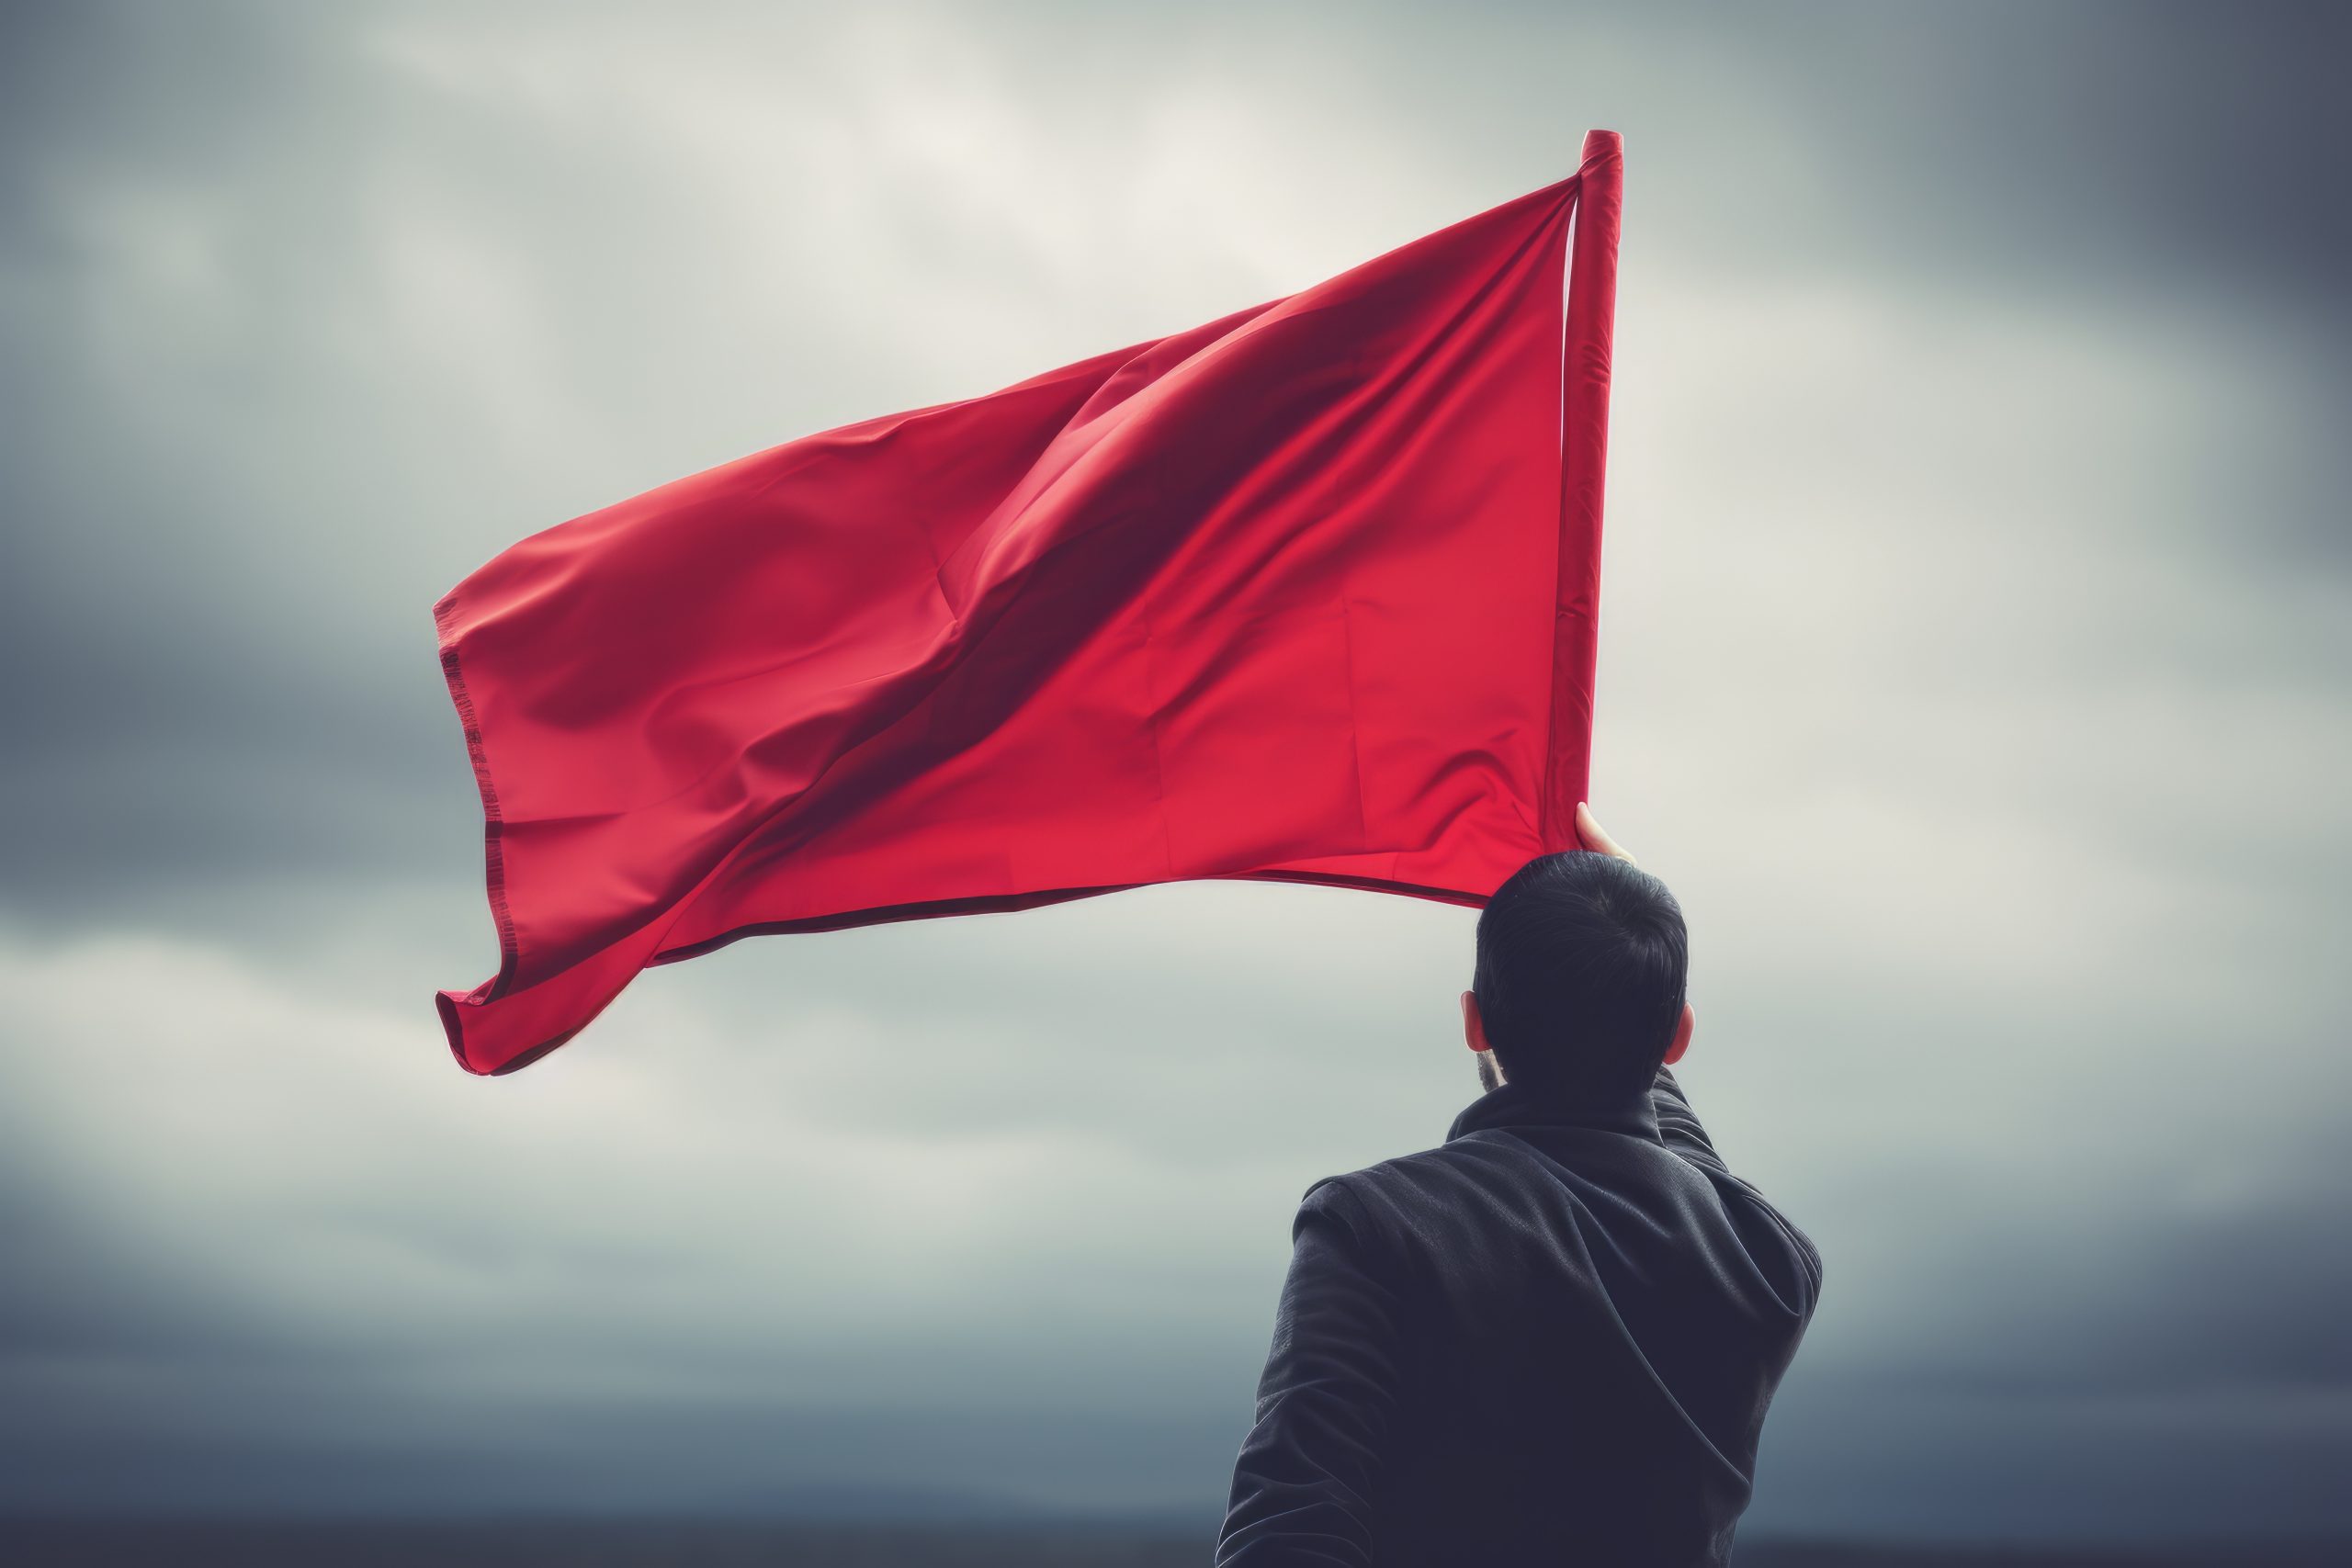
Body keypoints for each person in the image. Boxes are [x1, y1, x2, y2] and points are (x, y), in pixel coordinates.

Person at [1216, 804, 1822, 1567]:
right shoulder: (1769, 1264)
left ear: (1474, 1021)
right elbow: (1685, 1149)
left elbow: (1291, 1529)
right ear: (1679, 1037)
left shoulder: (1372, 1227)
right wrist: (1625, 938)